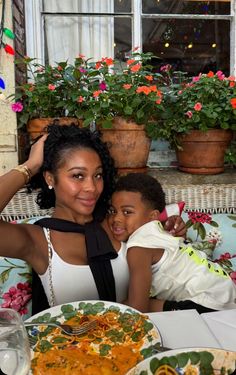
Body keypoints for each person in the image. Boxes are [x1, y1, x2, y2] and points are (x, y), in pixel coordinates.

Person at [0, 123, 185, 314]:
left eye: (97, 175)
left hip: (134, 336)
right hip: (68, 342)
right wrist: (30, 166)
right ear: (50, 178)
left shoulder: (116, 222)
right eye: (78, 176)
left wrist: (171, 227)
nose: (92, 187)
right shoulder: (38, 240)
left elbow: (158, 242)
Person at [107, 173, 236, 314]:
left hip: (208, 303)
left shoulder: (139, 248)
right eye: (112, 211)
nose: (116, 218)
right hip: (225, 288)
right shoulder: (160, 231)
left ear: (153, 216)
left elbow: (138, 309)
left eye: (127, 212)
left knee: (121, 308)